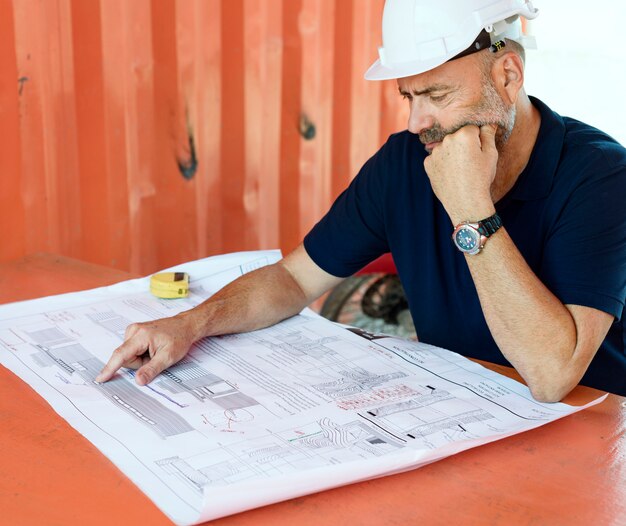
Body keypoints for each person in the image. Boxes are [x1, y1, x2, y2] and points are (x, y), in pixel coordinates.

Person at [96, 0, 626, 400]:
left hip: (590, 434)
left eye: (437, 96)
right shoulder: (404, 163)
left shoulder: (601, 176)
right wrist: (191, 324)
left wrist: (470, 211)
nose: (417, 123)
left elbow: (553, 376)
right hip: (464, 415)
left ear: (507, 76)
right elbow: (293, 279)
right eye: (408, 97)